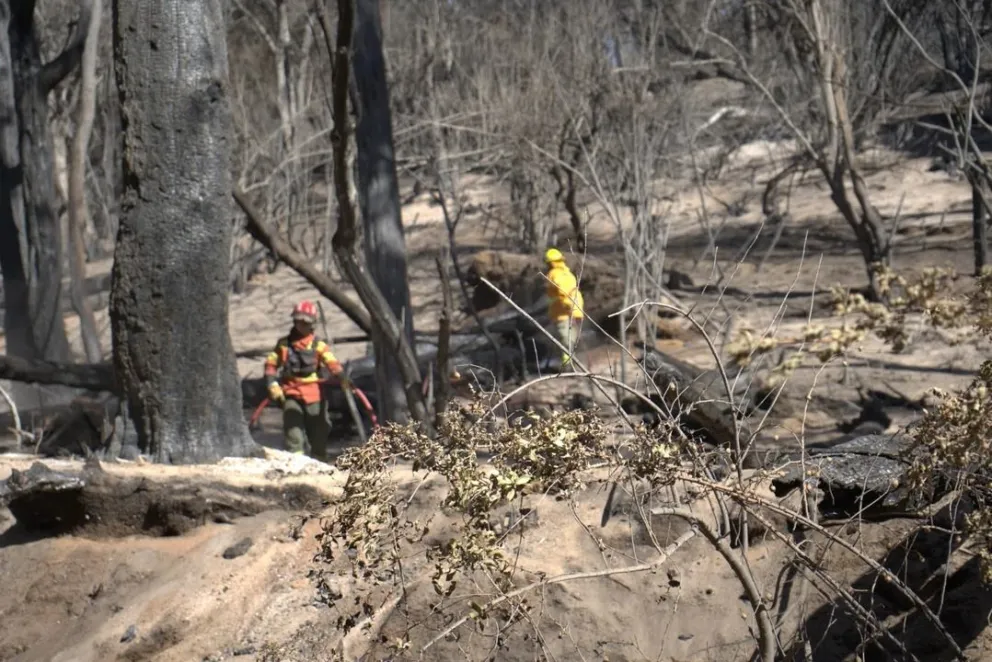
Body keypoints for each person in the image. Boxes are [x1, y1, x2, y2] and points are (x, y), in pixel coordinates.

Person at [263, 300, 349, 459]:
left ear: (312, 324)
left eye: (305, 322)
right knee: (293, 433)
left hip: (314, 397)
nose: (301, 325)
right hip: (291, 395)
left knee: (318, 434)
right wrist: (272, 384)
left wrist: (342, 378)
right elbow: (271, 364)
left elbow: (332, 363)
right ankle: (296, 464)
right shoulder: (283, 345)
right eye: (298, 321)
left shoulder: (319, 346)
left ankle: (320, 463)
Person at [544, 247, 585, 366]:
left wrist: (568, 306)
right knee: (570, 340)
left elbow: (563, 292)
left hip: (563, 313)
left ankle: (568, 366)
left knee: (565, 340)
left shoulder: (555, 274)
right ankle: (570, 364)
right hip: (574, 311)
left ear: (551, 263)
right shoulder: (568, 273)